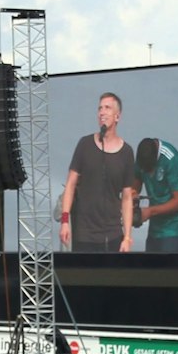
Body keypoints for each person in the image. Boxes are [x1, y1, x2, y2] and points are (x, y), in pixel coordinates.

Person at [59, 93, 137, 253]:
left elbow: (127, 196)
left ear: (117, 116)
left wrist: (127, 237)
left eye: (107, 108)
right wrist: (65, 221)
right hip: (84, 233)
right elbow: (71, 184)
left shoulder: (126, 152)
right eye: (99, 108)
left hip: (113, 233)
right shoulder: (85, 144)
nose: (102, 112)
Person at [133, 137, 178, 252]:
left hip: (173, 228)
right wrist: (132, 199)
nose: (149, 174)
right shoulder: (141, 158)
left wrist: (150, 211)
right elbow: (135, 186)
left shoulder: (171, 159)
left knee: (170, 268)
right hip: (154, 227)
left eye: (150, 170)